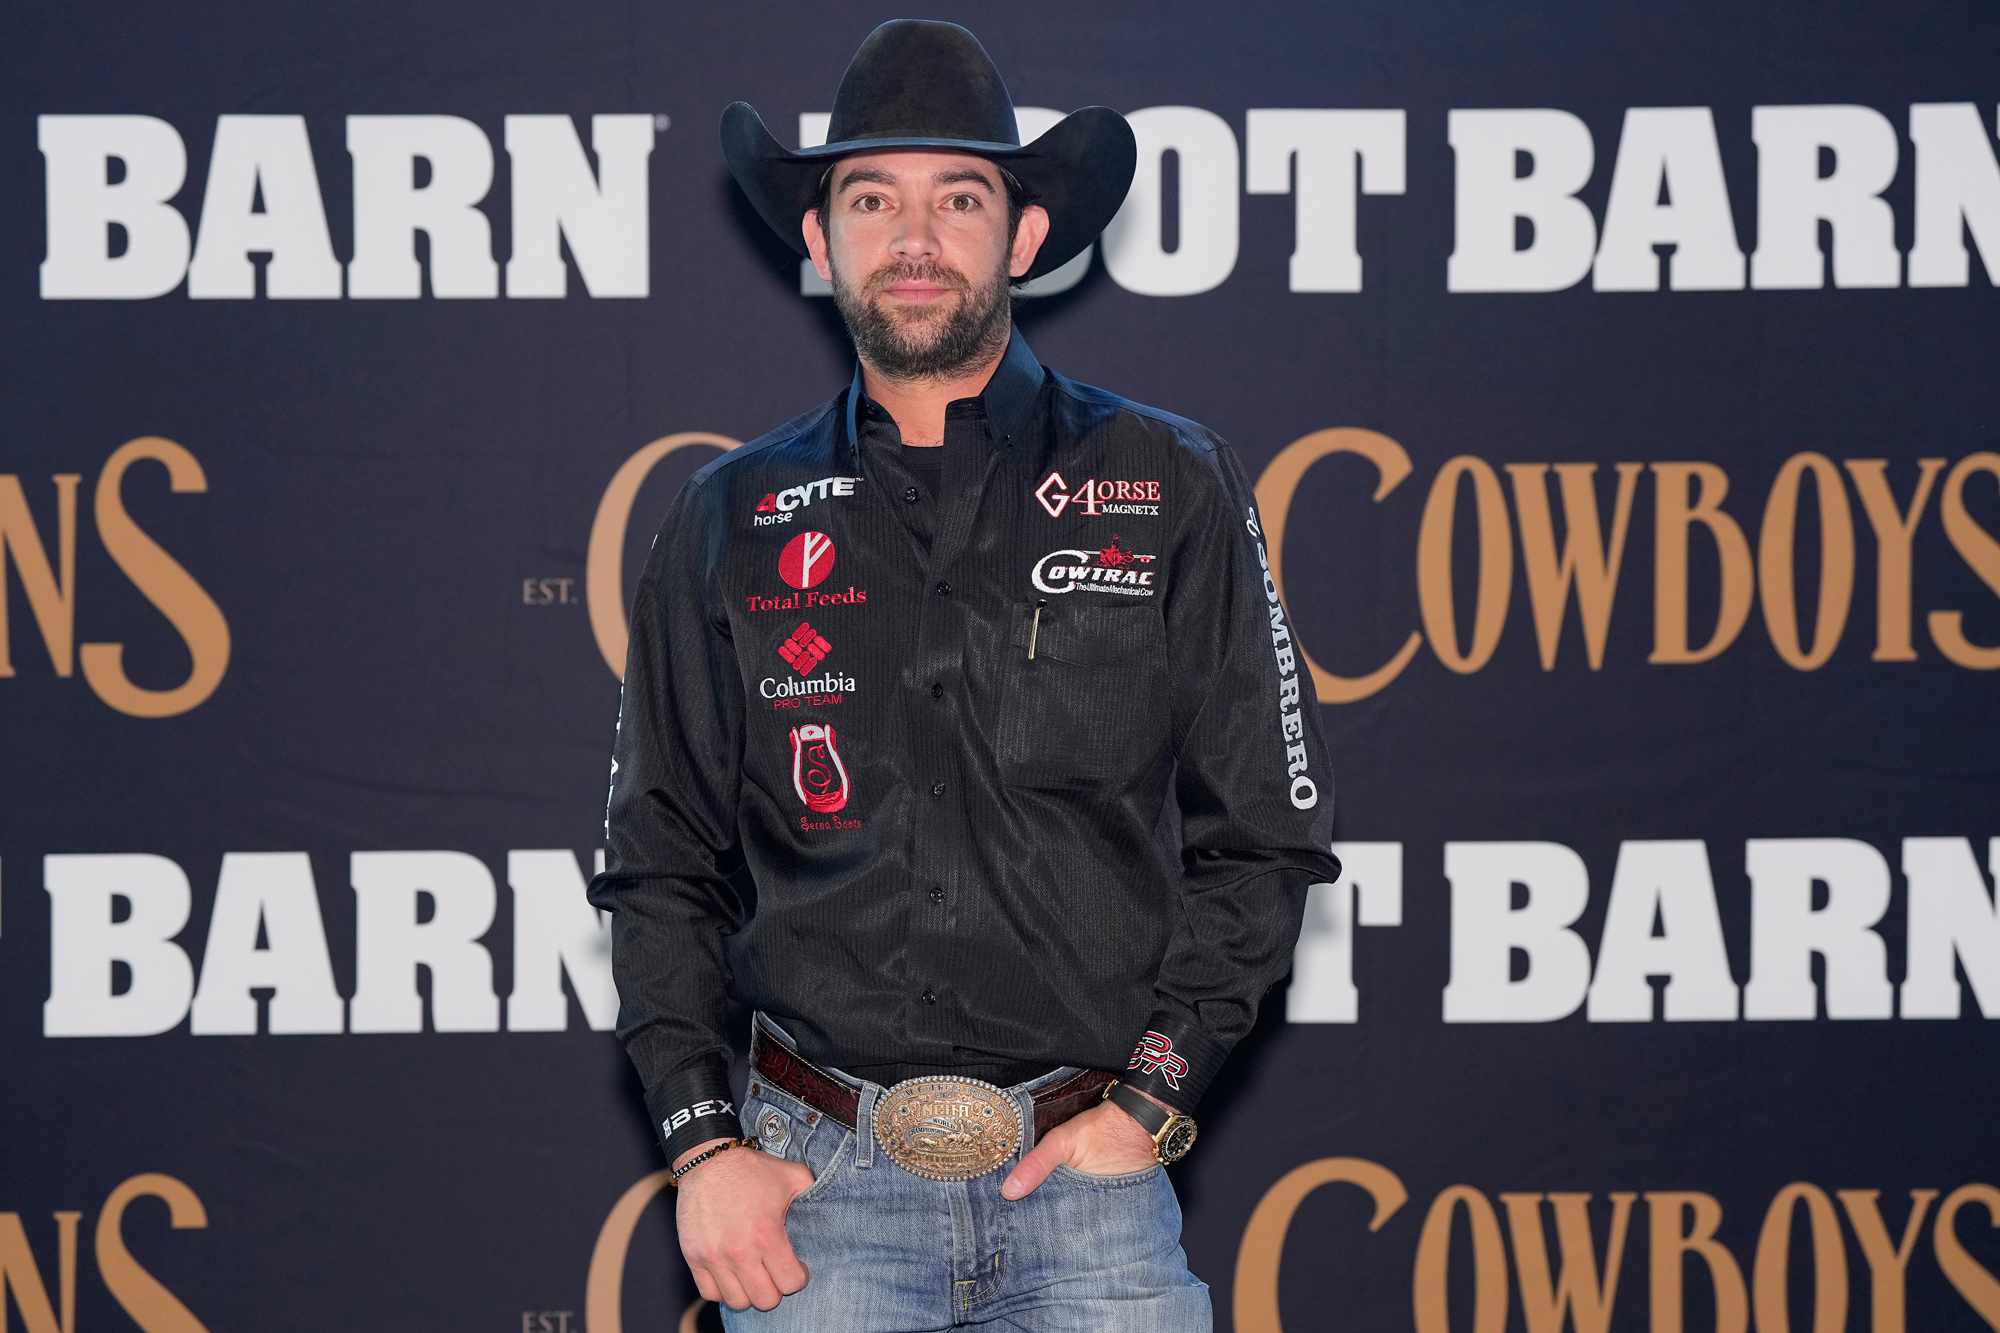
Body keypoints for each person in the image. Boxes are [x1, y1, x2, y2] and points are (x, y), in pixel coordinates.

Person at [587, 18, 1342, 1331]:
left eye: (960, 198)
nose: (915, 238)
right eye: (873, 199)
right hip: (816, 1196)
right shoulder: (726, 516)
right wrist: (706, 1147)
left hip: (1090, 1189)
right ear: (819, 244)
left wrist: (1155, 1099)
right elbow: (662, 860)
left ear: (1026, 239)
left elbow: (1265, 837)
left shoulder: (1170, 480)